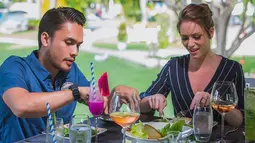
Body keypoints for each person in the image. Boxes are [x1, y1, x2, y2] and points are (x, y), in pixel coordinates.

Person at [0, 7, 135, 142]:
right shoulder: (14, 67)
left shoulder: (71, 71)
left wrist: (113, 95)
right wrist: (75, 93)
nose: (75, 52)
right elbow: (21, 105)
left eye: (78, 45)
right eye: (69, 43)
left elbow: (98, 104)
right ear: (46, 39)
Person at [117, 3, 245, 127]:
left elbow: (240, 120)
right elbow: (142, 106)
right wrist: (150, 100)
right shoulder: (174, 66)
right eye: (185, 38)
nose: (190, 44)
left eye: (196, 36)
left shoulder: (232, 69)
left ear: (211, 32)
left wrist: (214, 101)